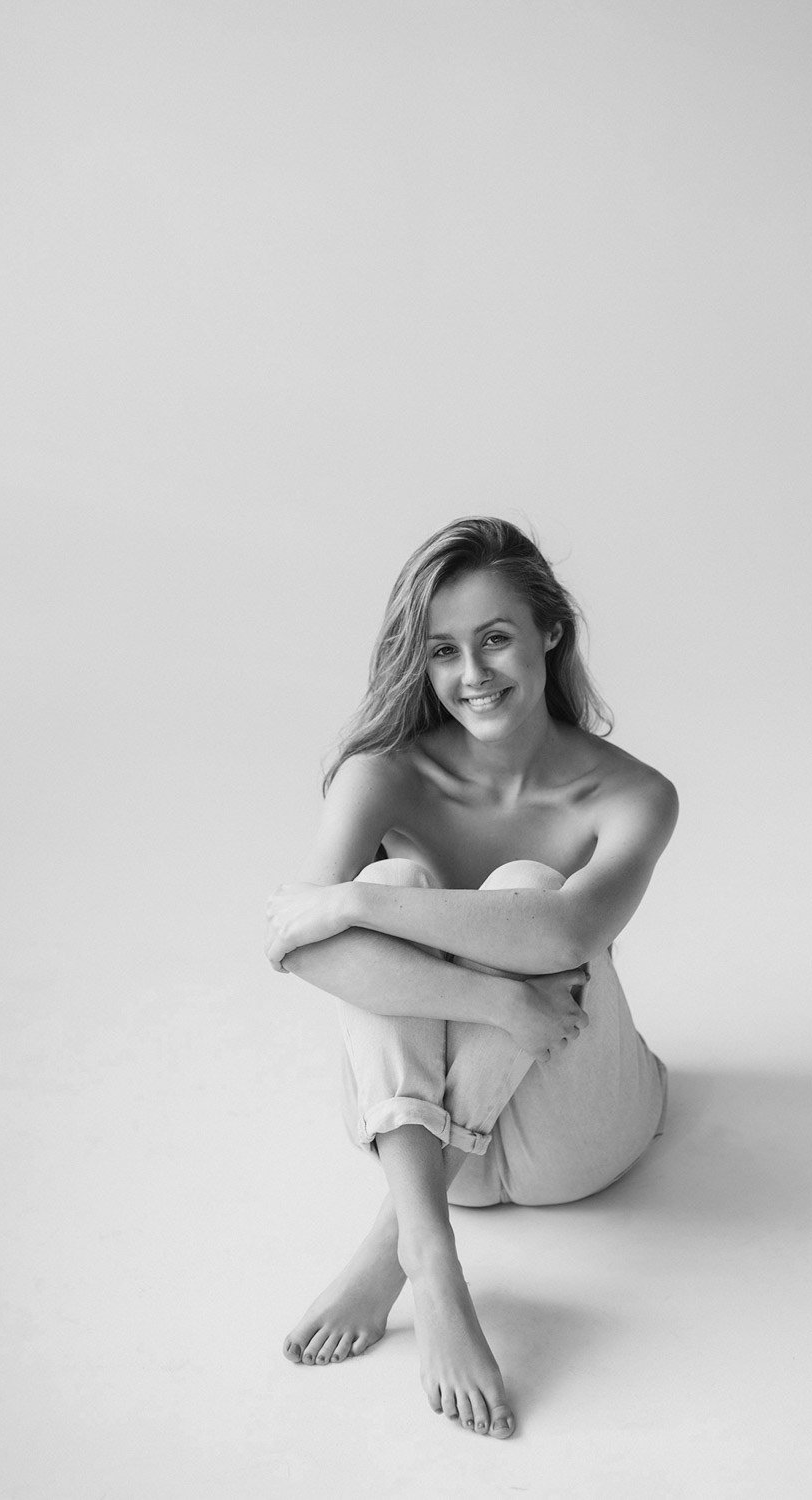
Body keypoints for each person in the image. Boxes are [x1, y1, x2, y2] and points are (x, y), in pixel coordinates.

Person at [265, 517, 677, 1440]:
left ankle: (390, 1247)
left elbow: (568, 928)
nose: (472, 674)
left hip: (573, 1135)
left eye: (495, 638)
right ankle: (432, 1261)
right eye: (444, 650)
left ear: (550, 631)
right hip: (423, 1136)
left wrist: (354, 904)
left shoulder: (633, 792)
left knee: (520, 889)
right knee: (393, 883)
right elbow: (294, 946)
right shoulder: (381, 775)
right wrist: (495, 1000)